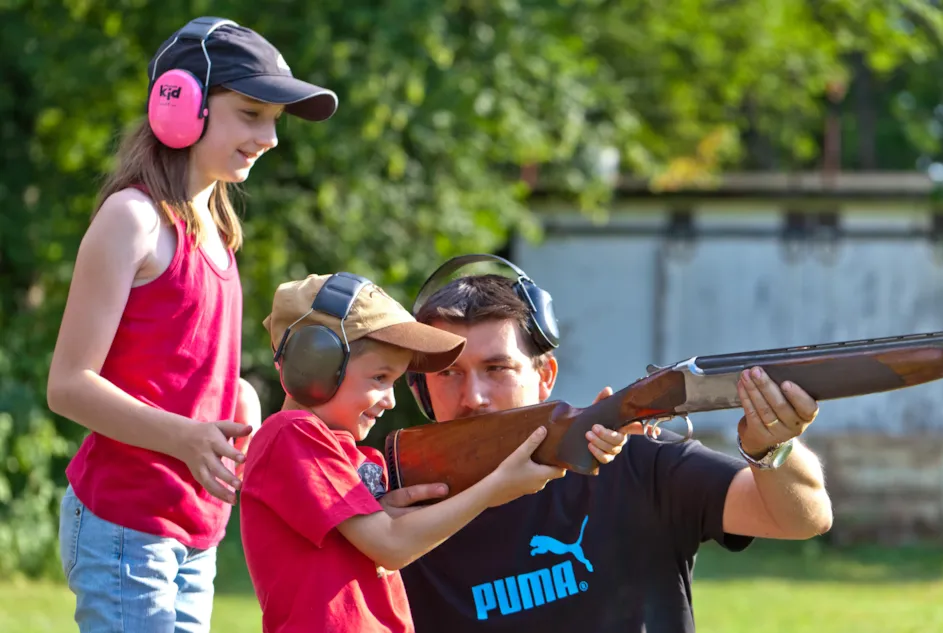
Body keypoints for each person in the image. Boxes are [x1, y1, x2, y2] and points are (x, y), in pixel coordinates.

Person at [46, 16, 338, 633]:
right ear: (181, 103)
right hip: (125, 526)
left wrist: (242, 396)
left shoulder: (219, 233)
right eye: (251, 113)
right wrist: (183, 436)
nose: (270, 138)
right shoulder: (133, 220)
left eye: (274, 121)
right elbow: (69, 385)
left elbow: (180, 369)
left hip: (195, 530)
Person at [383, 254, 834, 633]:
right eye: (448, 374)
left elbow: (802, 517)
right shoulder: (392, 500)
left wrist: (773, 447)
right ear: (421, 390)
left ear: (545, 378)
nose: (473, 397)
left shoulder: (636, 462)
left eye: (497, 368)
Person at [239, 272, 569, 633]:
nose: (391, 400)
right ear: (314, 362)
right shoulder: (292, 435)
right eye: (380, 378)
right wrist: (496, 487)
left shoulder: (356, 459)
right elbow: (392, 546)